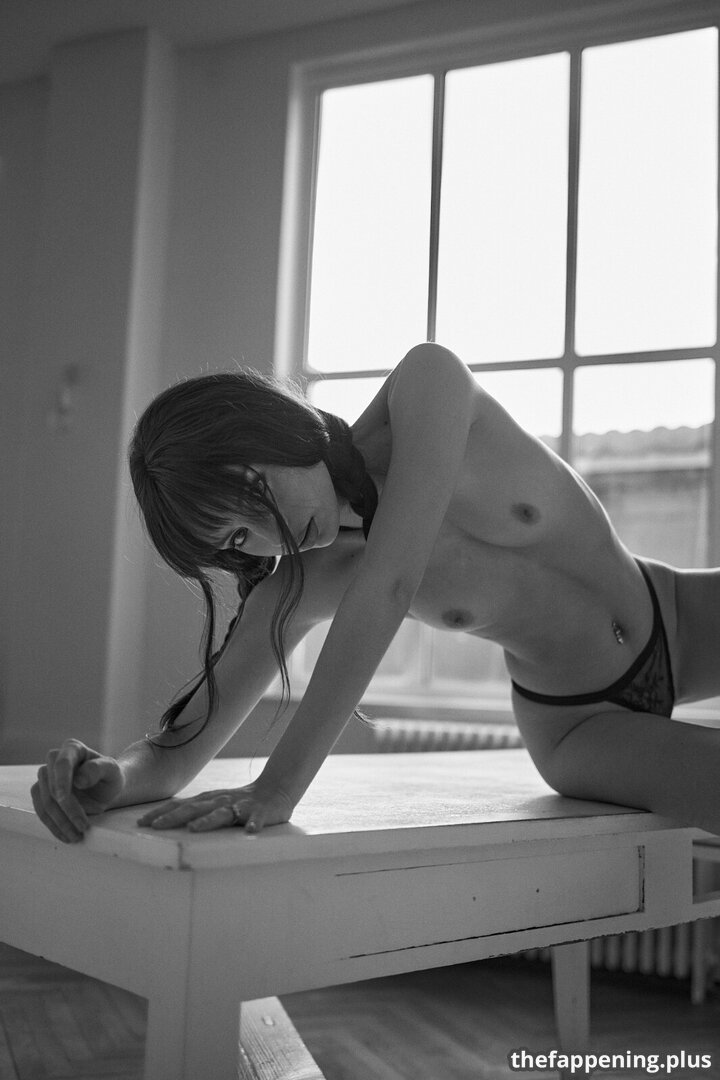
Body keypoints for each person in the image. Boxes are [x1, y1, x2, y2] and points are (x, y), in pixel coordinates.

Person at [31, 343, 720, 843]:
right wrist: (110, 776)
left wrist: (279, 785)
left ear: (268, 425)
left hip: (676, 613)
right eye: (238, 538)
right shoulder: (302, 584)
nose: (272, 535)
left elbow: (390, 584)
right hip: (579, 722)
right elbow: (177, 749)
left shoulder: (426, 385)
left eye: (255, 491)